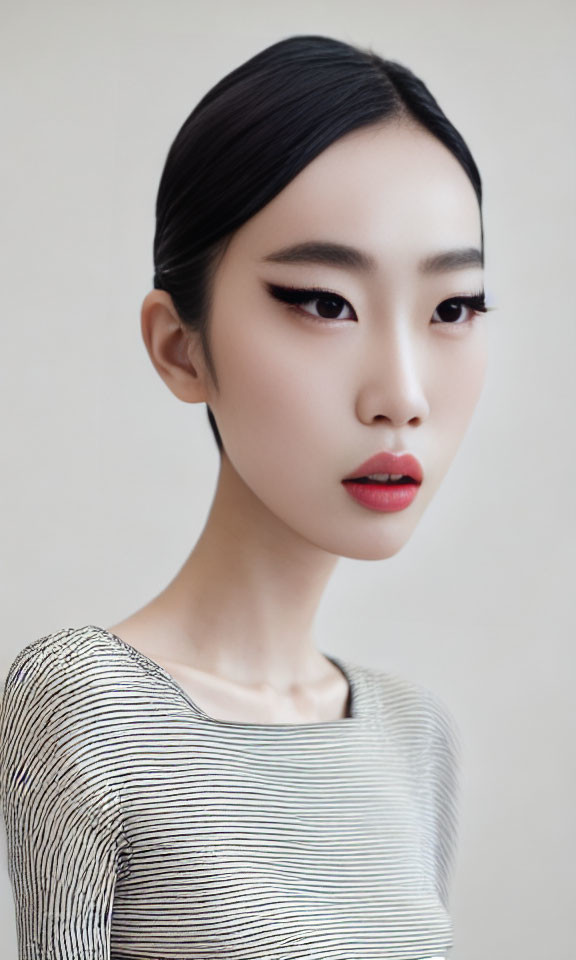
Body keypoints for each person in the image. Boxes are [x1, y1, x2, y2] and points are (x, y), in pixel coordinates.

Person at [0, 34, 495, 959]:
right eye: (322, 301)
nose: (403, 393)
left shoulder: (416, 738)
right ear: (180, 347)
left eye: (452, 308)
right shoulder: (89, 704)